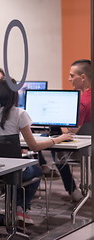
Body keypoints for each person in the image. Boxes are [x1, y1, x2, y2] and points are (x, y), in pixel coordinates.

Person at [0, 78, 72, 224]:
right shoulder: (19, 114)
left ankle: (17, 208)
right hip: (11, 171)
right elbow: (34, 146)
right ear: (14, 94)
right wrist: (58, 139)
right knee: (37, 169)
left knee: (23, 169)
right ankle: (20, 208)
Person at [54, 59, 92, 202]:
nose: (69, 79)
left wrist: (57, 121)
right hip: (89, 146)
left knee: (51, 146)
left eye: (71, 75)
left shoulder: (83, 102)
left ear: (82, 77)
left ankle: (72, 190)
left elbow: (70, 132)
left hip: (83, 150)